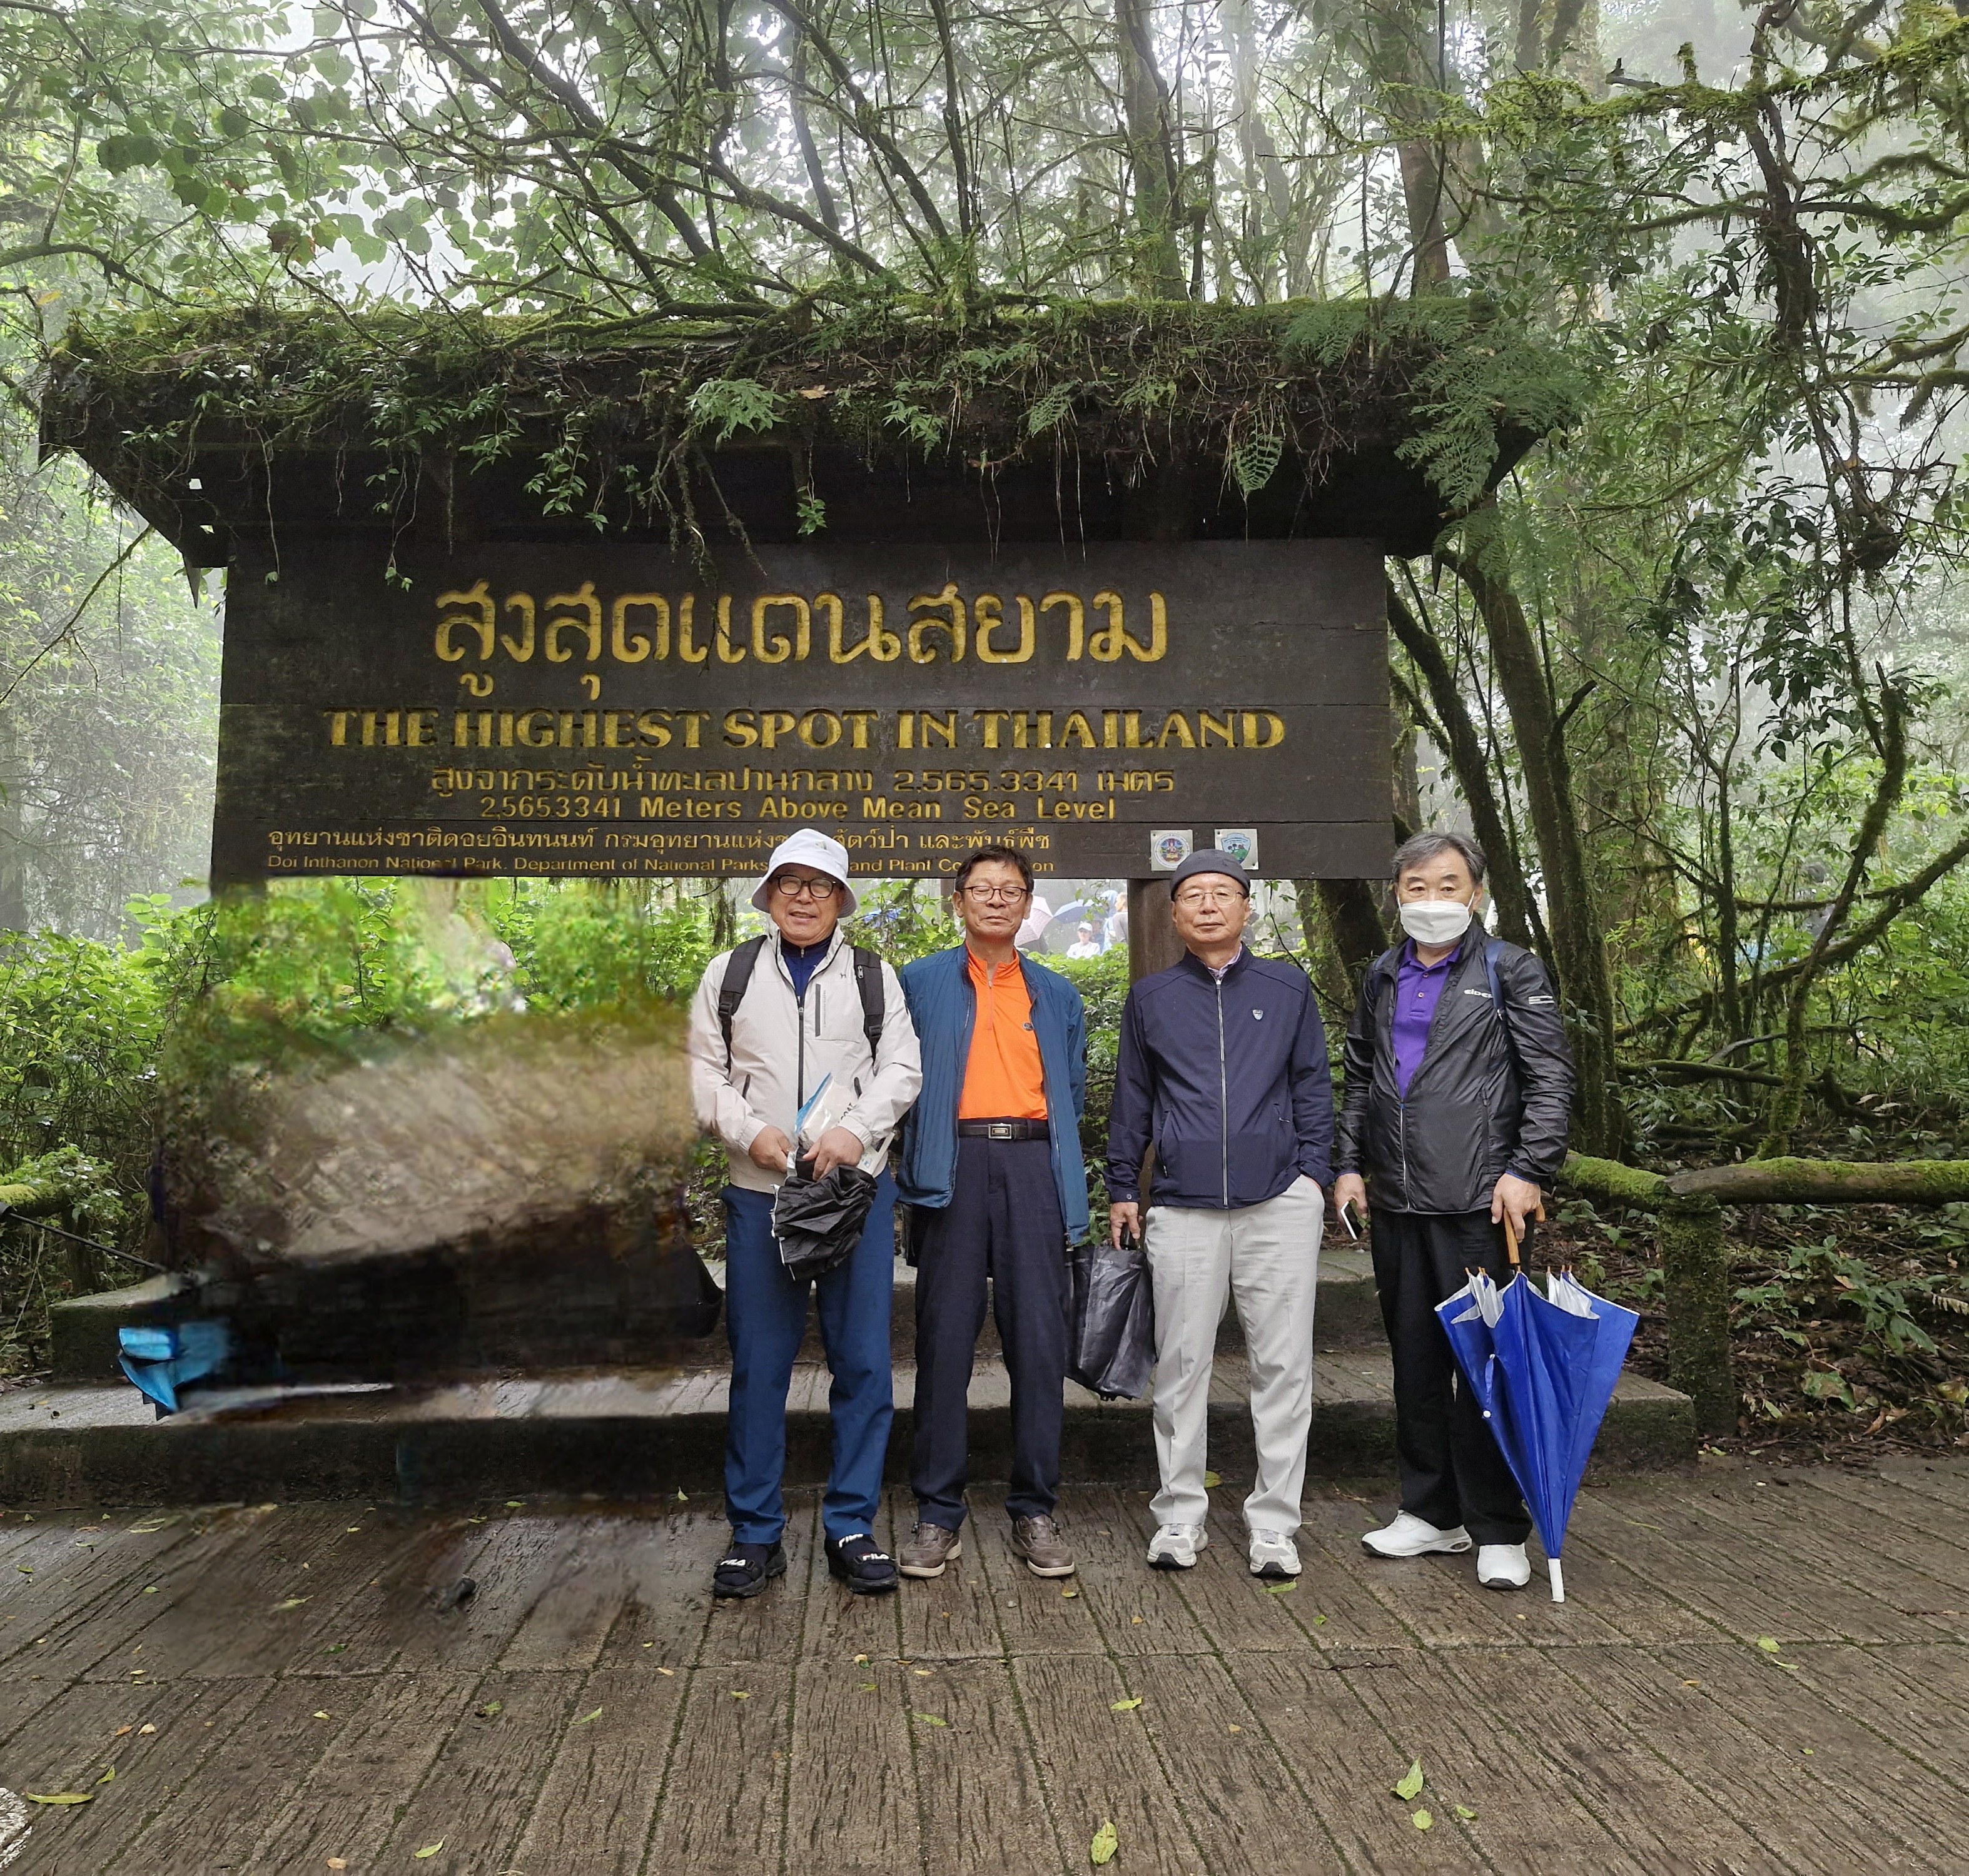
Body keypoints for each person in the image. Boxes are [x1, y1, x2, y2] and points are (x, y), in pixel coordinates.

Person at [1332, 830, 1574, 1592]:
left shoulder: (1509, 969)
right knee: (1414, 1360)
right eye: (1416, 887)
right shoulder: (1382, 973)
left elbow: (1549, 1077)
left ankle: (1497, 1526)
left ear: (1475, 893)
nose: (1431, 900)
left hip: (1481, 1198)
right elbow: (1360, 1075)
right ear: (1395, 895)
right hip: (1397, 1200)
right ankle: (1430, 1511)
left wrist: (1528, 1169)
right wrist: (1349, 1164)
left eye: (1447, 886)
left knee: (1487, 1364)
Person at [687, 828, 923, 1600]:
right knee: (759, 1366)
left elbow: (902, 1067)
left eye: (819, 885)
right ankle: (755, 1532)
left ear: (840, 899)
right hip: (759, 1195)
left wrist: (856, 1132)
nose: (803, 897)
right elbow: (703, 1071)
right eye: (789, 882)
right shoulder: (729, 974)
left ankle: (851, 1524)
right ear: (768, 894)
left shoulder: (872, 976)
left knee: (863, 1365)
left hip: (851, 1194)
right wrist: (747, 1131)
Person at [1106, 849, 1333, 1579]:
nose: (1208, 906)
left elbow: (1312, 1085)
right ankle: (1179, 1517)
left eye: (1223, 894)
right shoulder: (1152, 998)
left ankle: (1274, 1525)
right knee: (1180, 1367)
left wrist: (1313, 1176)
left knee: (1283, 1367)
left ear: (1245, 907)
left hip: (1278, 1202)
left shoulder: (1286, 987)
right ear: (1174, 914)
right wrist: (1122, 1185)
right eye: (1193, 895)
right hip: (1183, 1206)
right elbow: (1133, 1098)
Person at [894, 845, 1091, 1580]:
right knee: (943, 1342)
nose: (997, 900)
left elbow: (1071, 1091)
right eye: (982, 889)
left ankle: (1034, 1508)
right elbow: (896, 1083)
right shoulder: (919, 983)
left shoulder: (1056, 994)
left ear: (1028, 903)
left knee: (1038, 1344)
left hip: (1033, 1165)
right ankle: (937, 1512)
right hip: (951, 1166)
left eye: (1011, 890)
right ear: (959, 901)